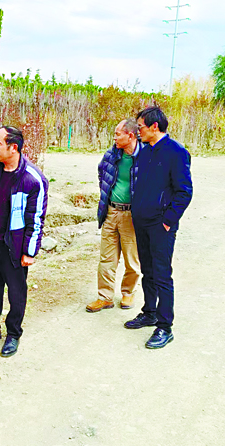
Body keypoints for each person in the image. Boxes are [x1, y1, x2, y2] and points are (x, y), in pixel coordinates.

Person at [0, 126, 48, 357]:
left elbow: (36, 218)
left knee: (16, 293)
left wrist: (30, 252)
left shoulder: (32, 179)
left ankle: (13, 333)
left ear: (13, 147)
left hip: (14, 247)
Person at [124, 106, 193, 349]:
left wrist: (167, 220)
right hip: (142, 221)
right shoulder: (145, 152)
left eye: (141, 127)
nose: (138, 131)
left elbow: (184, 191)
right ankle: (150, 312)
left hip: (161, 225)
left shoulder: (176, 152)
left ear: (155, 126)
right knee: (148, 271)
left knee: (162, 274)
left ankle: (165, 326)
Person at [86, 119, 142, 313]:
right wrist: (106, 193)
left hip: (131, 215)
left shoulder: (145, 157)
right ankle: (105, 297)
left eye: (118, 134)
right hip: (110, 212)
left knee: (132, 259)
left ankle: (128, 292)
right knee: (106, 258)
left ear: (130, 135)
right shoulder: (112, 154)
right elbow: (101, 172)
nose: (115, 137)